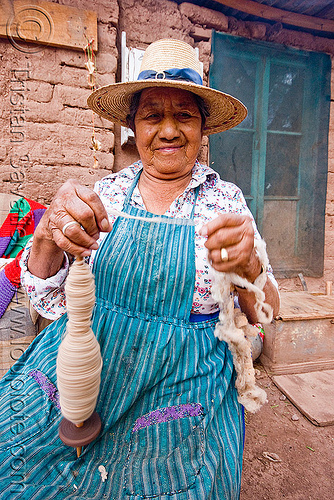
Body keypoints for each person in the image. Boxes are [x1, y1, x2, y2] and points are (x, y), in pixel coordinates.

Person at [0, 39, 279, 499]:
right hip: (92, 362)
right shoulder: (105, 194)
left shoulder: (225, 203)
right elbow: (46, 298)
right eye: (153, 115)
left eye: (184, 115)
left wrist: (250, 269)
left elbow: (265, 312)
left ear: (203, 127)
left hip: (182, 380)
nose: (168, 130)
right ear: (133, 125)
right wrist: (48, 233)